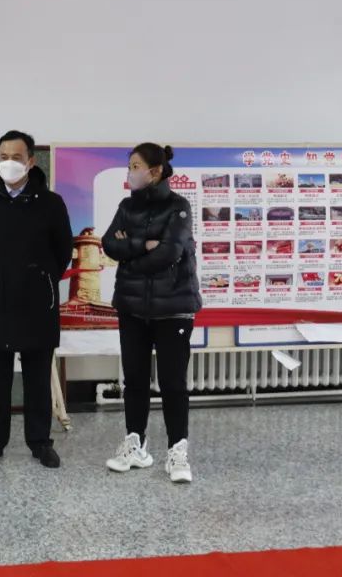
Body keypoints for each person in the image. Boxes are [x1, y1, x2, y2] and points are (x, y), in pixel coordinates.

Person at [0, 130, 73, 469]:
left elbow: (63, 251)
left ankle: (40, 442)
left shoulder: (51, 203)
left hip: (38, 302)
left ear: (31, 161)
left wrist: (41, 277)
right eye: (3, 157)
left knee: (38, 377)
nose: (9, 163)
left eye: (16, 157)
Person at [101, 144, 201, 484]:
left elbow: (170, 253)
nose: (131, 172)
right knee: (134, 379)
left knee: (173, 383)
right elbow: (109, 244)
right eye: (130, 166)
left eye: (135, 166)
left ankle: (177, 451)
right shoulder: (126, 206)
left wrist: (130, 254)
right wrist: (143, 245)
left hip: (174, 308)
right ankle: (136, 444)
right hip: (132, 308)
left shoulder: (179, 207)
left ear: (155, 171)